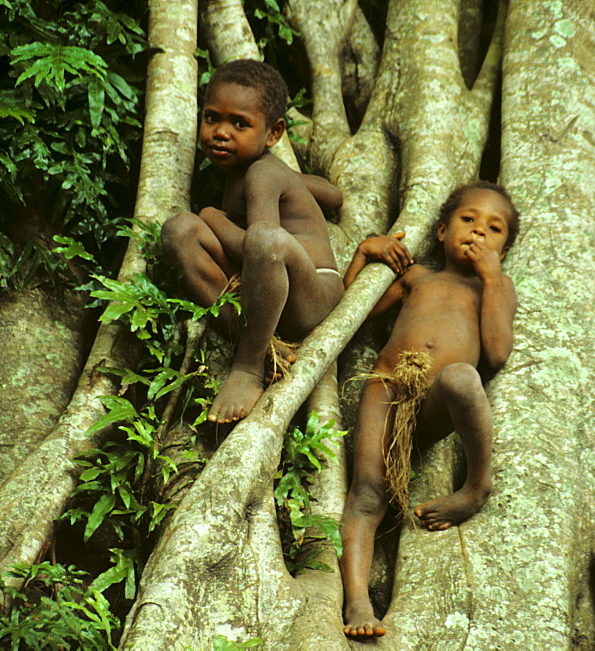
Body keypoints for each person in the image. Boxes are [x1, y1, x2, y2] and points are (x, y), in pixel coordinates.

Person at [338, 181, 519, 639]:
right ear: (441, 230)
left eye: (494, 229)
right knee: (366, 493)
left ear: (503, 248)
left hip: (437, 399)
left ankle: (476, 486)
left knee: (462, 377)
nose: (478, 232)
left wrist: (494, 278)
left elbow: (496, 354)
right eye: (468, 220)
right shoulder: (416, 278)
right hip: (388, 387)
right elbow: (345, 316)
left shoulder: (493, 287)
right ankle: (357, 600)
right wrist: (364, 254)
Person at [161, 59, 344, 424]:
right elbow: (333, 196)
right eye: (212, 118)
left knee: (264, 239)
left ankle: (248, 367)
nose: (221, 132)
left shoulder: (262, 172)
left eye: (240, 124)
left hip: (311, 294)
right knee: (179, 230)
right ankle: (265, 344)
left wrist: (213, 217)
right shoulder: (260, 170)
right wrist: (299, 185)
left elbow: (257, 247)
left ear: (274, 133)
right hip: (271, 292)